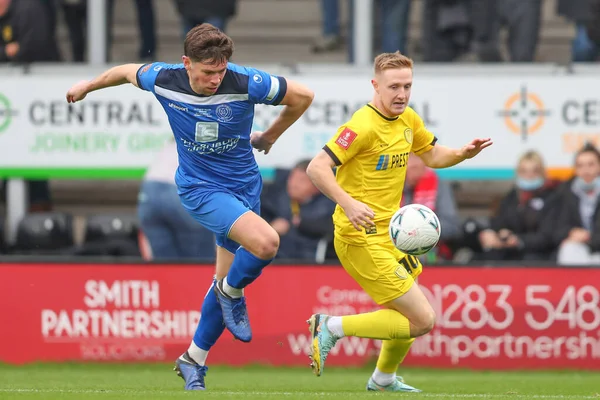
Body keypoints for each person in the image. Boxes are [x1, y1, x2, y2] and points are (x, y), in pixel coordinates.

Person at [65, 23, 314, 390]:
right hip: (200, 190)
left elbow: (303, 96)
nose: (216, 79)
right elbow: (123, 71)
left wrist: (269, 136)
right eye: (207, 72)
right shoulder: (164, 79)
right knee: (266, 243)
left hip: (244, 189)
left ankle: (193, 359)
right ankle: (231, 293)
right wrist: (86, 85)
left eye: (221, 70)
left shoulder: (246, 82)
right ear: (186, 63)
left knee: (221, 276)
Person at [305, 51, 491, 392]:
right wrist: (348, 204)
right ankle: (330, 327)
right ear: (376, 85)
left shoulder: (408, 119)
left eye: (407, 86)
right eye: (393, 87)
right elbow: (316, 167)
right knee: (422, 320)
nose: (401, 94)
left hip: (391, 236)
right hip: (358, 236)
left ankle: (383, 379)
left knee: (410, 313)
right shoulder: (360, 125)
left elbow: (433, 154)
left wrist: (462, 154)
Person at [137, 139, 217, 261]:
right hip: (179, 190)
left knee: (166, 265)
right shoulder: (208, 144)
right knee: (200, 262)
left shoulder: (170, 144)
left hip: (148, 193)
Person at [478, 150, 558, 261]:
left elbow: (547, 236)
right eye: (524, 171)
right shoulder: (512, 197)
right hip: (510, 250)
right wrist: (495, 234)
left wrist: (518, 240)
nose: (529, 176)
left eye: (534, 171)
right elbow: (499, 221)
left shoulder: (551, 197)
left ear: (542, 173)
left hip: (539, 254)